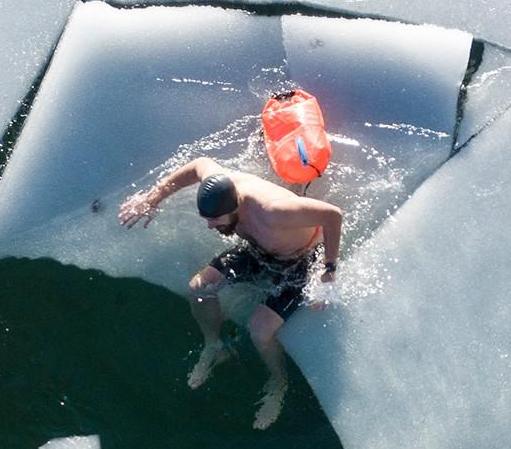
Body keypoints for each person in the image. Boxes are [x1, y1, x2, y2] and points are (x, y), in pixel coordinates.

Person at [118, 157, 345, 430]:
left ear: (235, 206)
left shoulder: (275, 211)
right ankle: (214, 347)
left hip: (301, 259)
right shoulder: (221, 183)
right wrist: (153, 197)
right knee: (199, 288)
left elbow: (333, 215)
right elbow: (198, 164)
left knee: (260, 330)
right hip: (259, 249)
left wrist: (329, 270)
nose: (210, 226)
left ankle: (277, 382)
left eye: (215, 220)